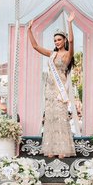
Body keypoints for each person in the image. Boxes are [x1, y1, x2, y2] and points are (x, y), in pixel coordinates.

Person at [28, 11, 76, 159]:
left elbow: (72, 42)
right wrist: (29, 30)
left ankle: (63, 149)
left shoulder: (68, 54)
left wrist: (69, 23)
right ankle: (51, 148)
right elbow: (35, 46)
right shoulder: (52, 55)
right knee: (50, 118)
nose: (56, 42)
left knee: (61, 118)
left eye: (59, 40)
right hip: (49, 90)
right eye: (55, 40)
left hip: (60, 91)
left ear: (64, 40)